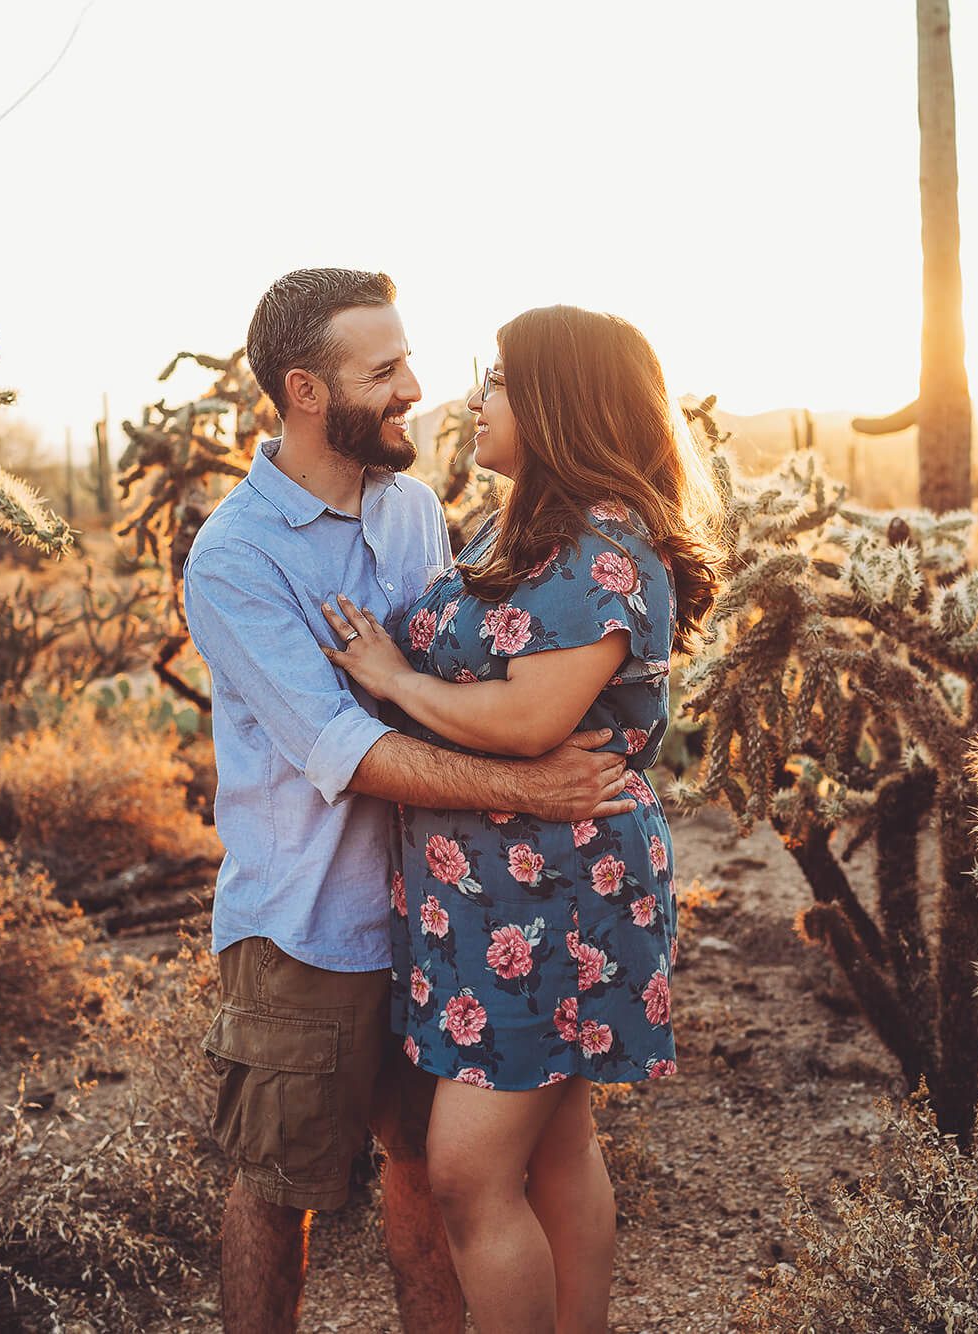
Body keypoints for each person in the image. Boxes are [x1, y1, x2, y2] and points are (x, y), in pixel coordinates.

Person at [182, 271, 638, 1334]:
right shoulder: (237, 555)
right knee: (276, 1181)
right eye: (381, 372)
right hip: (308, 924)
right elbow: (347, 748)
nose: (414, 389)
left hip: (443, 910)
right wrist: (528, 784)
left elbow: (448, 692)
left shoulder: (410, 508)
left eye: (407, 362)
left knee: (431, 1166)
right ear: (305, 390)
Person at [321, 304, 724, 1334]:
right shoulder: (518, 527)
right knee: (554, 1144)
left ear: (556, 402)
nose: (473, 397)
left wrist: (391, 677)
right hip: (491, 888)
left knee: (465, 1172)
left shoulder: (603, 549)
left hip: (558, 892)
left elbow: (528, 715)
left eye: (496, 379)